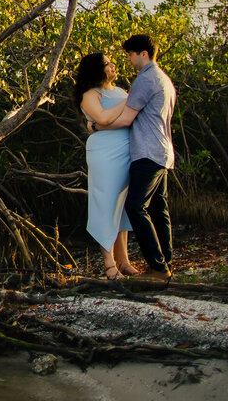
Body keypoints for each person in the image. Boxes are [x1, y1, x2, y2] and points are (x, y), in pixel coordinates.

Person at [90, 34, 176, 281]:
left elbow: (127, 118)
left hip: (147, 152)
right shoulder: (165, 80)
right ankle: (165, 262)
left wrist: (97, 127)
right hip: (163, 151)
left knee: (135, 206)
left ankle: (158, 268)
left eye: (130, 54)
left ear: (143, 54)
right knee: (159, 208)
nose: (128, 59)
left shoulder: (145, 80)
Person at [72, 52, 136, 279]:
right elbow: (103, 118)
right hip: (105, 152)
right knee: (106, 203)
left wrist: (101, 124)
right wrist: (129, 102)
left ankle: (124, 261)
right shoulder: (90, 94)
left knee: (123, 204)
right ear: (96, 69)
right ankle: (109, 264)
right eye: (108, 64)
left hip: (127, 150)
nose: (113, 66)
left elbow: (126, 119)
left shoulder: (121, 92)